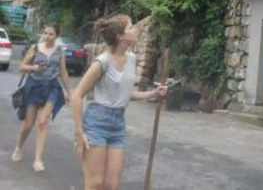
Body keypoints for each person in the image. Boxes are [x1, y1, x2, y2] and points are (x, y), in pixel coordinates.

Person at [71, 14, 166, 190]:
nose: (135, 29)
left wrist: (154, 93)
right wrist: (79, 133)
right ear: (120, 36)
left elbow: (126, 94)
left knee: (112, 185)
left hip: (118, 124)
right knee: (95, 184)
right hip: (96, 123)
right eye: (131, 27)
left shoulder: (131, 59)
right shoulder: (102, 62)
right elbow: (77, 95)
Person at [12, 23, 71, 172]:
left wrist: (69, 92)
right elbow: (22, 66)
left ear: (56, 36)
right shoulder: (35, 48)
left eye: (51, 34)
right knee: (28, 124)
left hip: (51, 88)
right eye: (45, 33)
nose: (47, 36)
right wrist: (34, 68)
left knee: (43, 122)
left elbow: (63, 72)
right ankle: (19, 147)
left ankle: (38, 160)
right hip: (34, 87)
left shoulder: (60, 51)